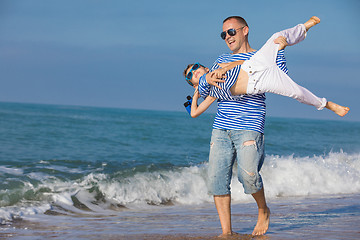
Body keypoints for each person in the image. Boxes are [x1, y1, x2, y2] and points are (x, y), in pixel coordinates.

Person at [183, 16, 348, 237]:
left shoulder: (254, 54)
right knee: (217, 180)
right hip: (222, 128)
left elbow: (282, 75)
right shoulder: (220, 61)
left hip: (250, 122)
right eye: (223, 34)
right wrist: (208, 79)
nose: (227, 37)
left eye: (231, 32)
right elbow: (205, 89)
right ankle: (226, 233)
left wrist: (281, 48)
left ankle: (263, 210)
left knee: (249, 176)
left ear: (245, 31)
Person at [184, 19, 349, 119]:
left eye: (195, 67)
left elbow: (242, 61)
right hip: (258, 84)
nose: (194, 72)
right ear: (193, 83)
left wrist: (226, 67)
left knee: (276, 37)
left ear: (205, 67)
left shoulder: (218, 64)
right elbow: (194, 113)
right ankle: (327, 105)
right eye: (190, 75)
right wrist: (197, 93)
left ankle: (303, 28)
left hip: (253, 65)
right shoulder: (212, 93)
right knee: (297, 92)